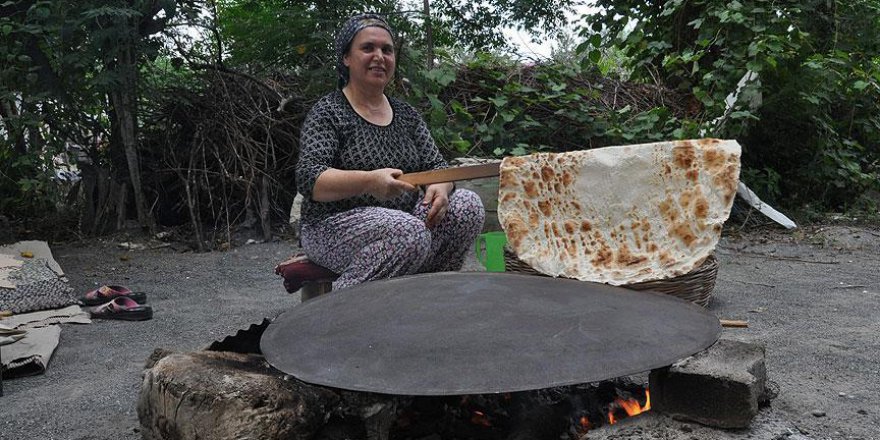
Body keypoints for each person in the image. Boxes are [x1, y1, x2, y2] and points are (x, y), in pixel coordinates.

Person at [291, 13, 485, 291]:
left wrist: (441, 188)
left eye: (387, 50)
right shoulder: (329, 112)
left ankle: (429, 294)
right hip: (330, 226)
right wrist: (369, 181)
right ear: (346, 58)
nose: (379, 56)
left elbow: (438, 168)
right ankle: (338, 309)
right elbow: (310, 179)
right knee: (408, 233)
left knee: (467, 205)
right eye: (368, 48)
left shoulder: (407, 115)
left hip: (404, 223)